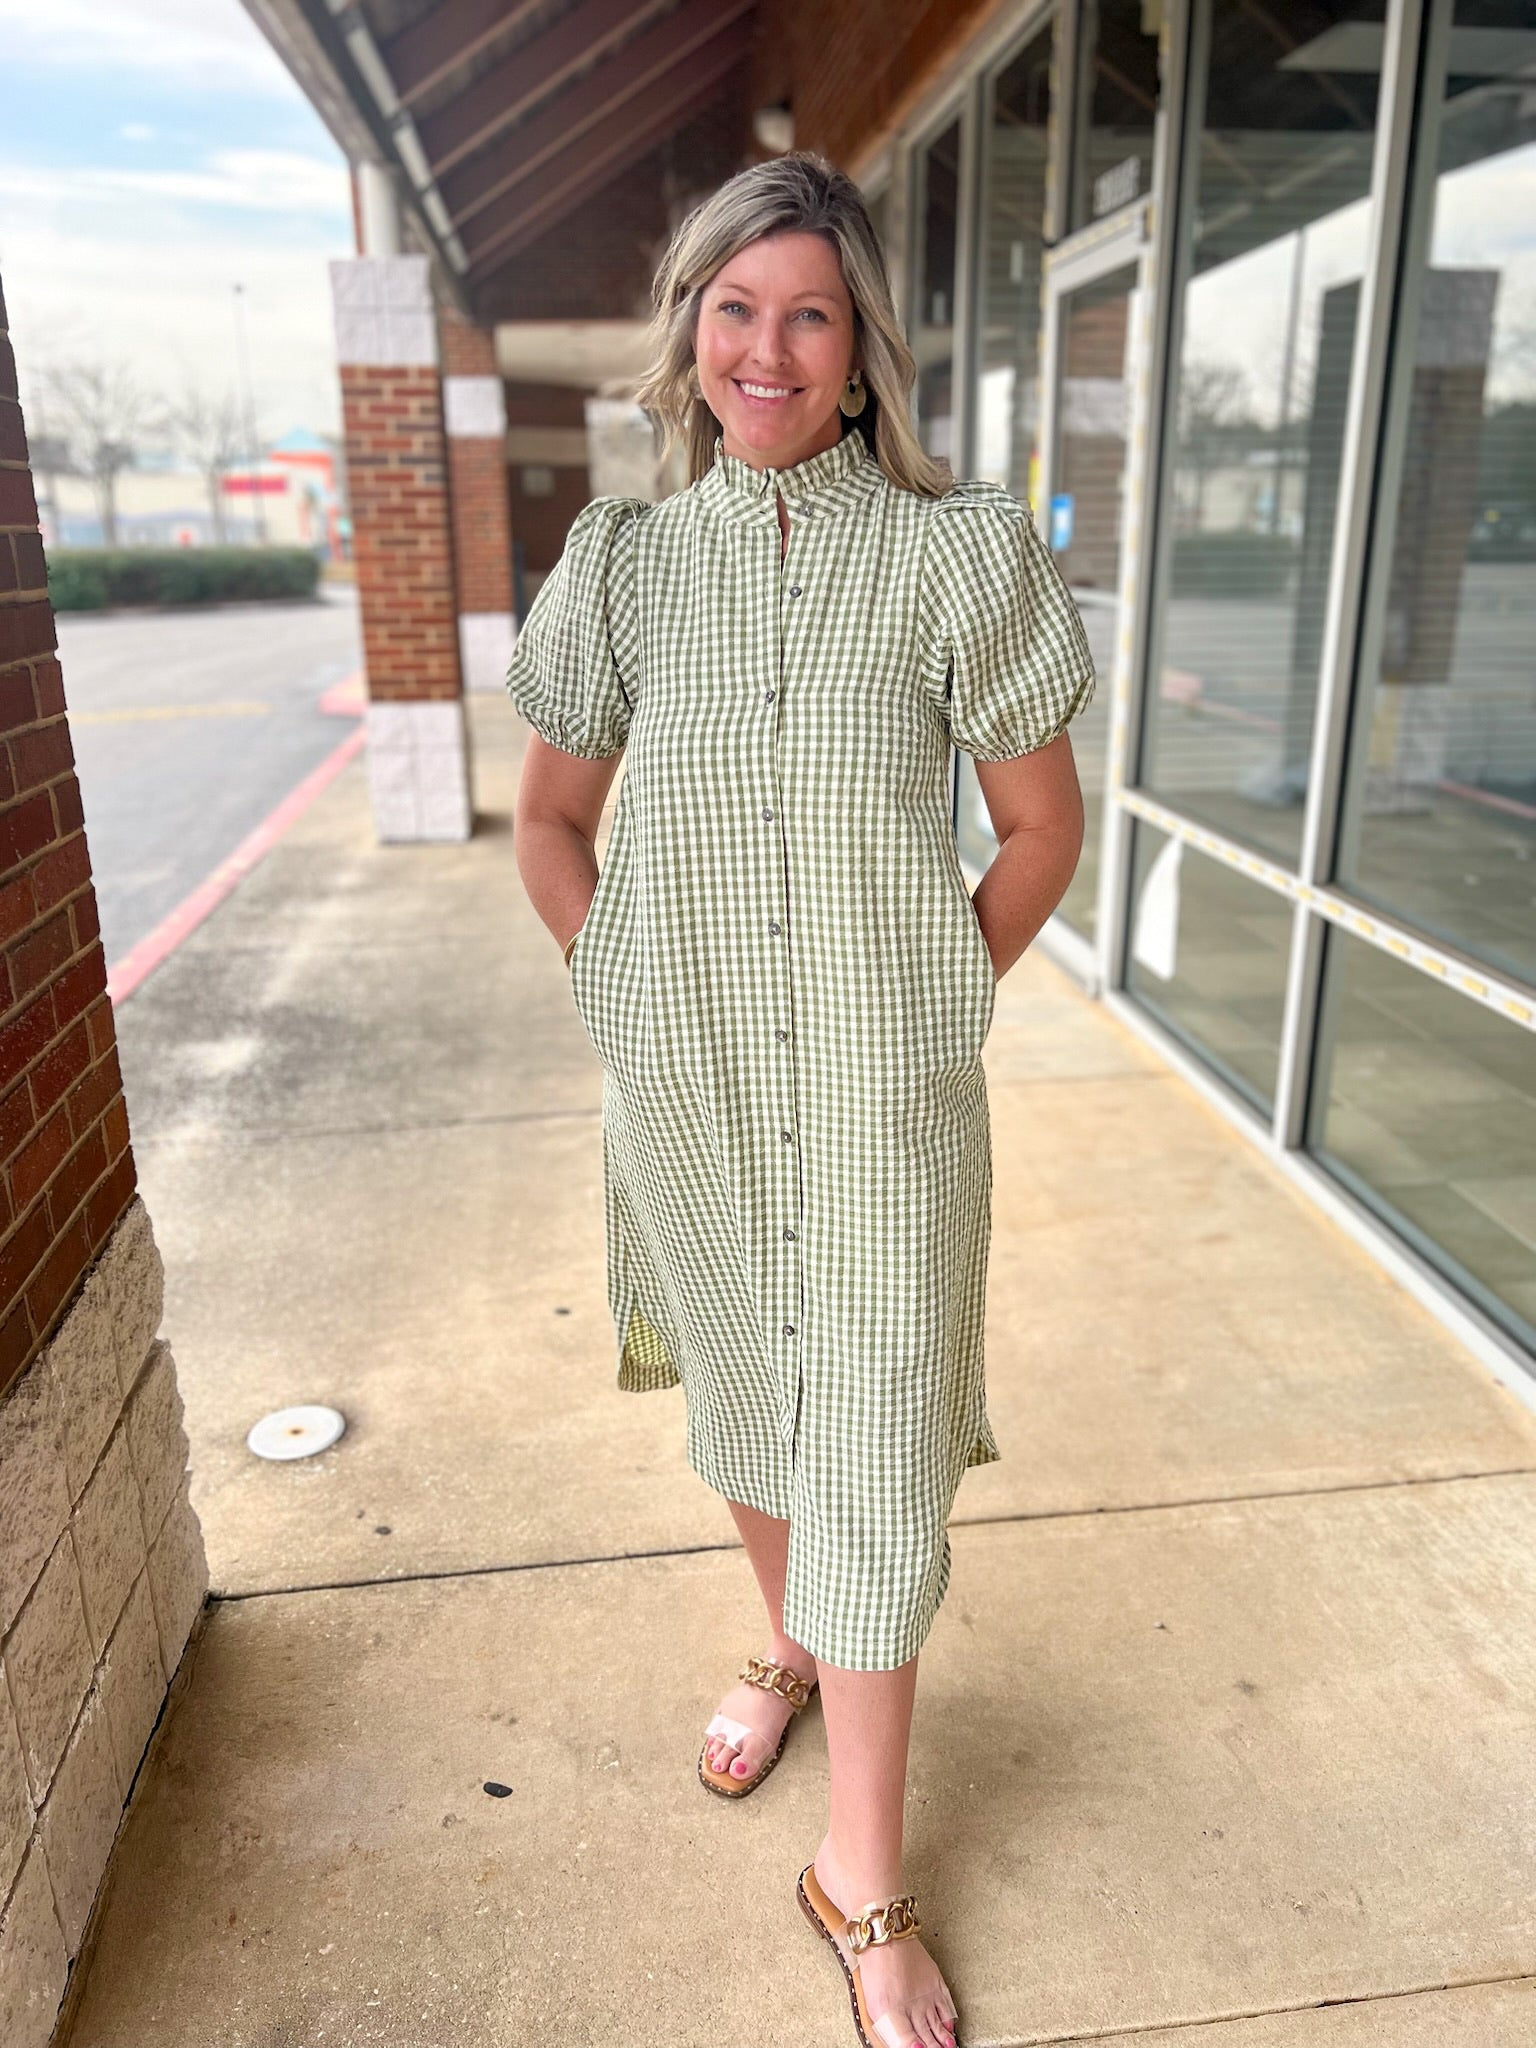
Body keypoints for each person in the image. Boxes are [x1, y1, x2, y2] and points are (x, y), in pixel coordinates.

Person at [507, 150, 1094, 2048]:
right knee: (752, 1404)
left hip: (877, 1117)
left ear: (860, 356)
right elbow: (552, 815)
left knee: (876, 1452)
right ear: (691, 334)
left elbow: (1035, 827)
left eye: (810, 312)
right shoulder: (624, 562)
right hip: (682, 1098)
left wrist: (924, 1011)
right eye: (735, 307)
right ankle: (789, 1647)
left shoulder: (956, 555)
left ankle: (862, 1878)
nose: (768, 345)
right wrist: (626, 995)